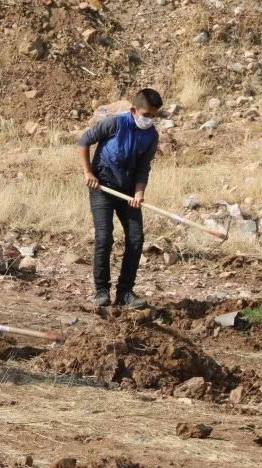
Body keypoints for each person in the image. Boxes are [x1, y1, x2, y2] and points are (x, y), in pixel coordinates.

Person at [77, 88, 163, 309]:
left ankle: (125, 292)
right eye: (147, 115)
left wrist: (139, 193)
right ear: (134, 110)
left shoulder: (151, 136)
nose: (150, 120)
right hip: (102, 188)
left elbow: (144, 167)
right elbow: (84, 141)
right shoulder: (114, 124)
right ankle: (101, 291)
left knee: (135, 239)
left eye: (154, 116)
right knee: (104, 237)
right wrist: (88, 173)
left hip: (128, 193)